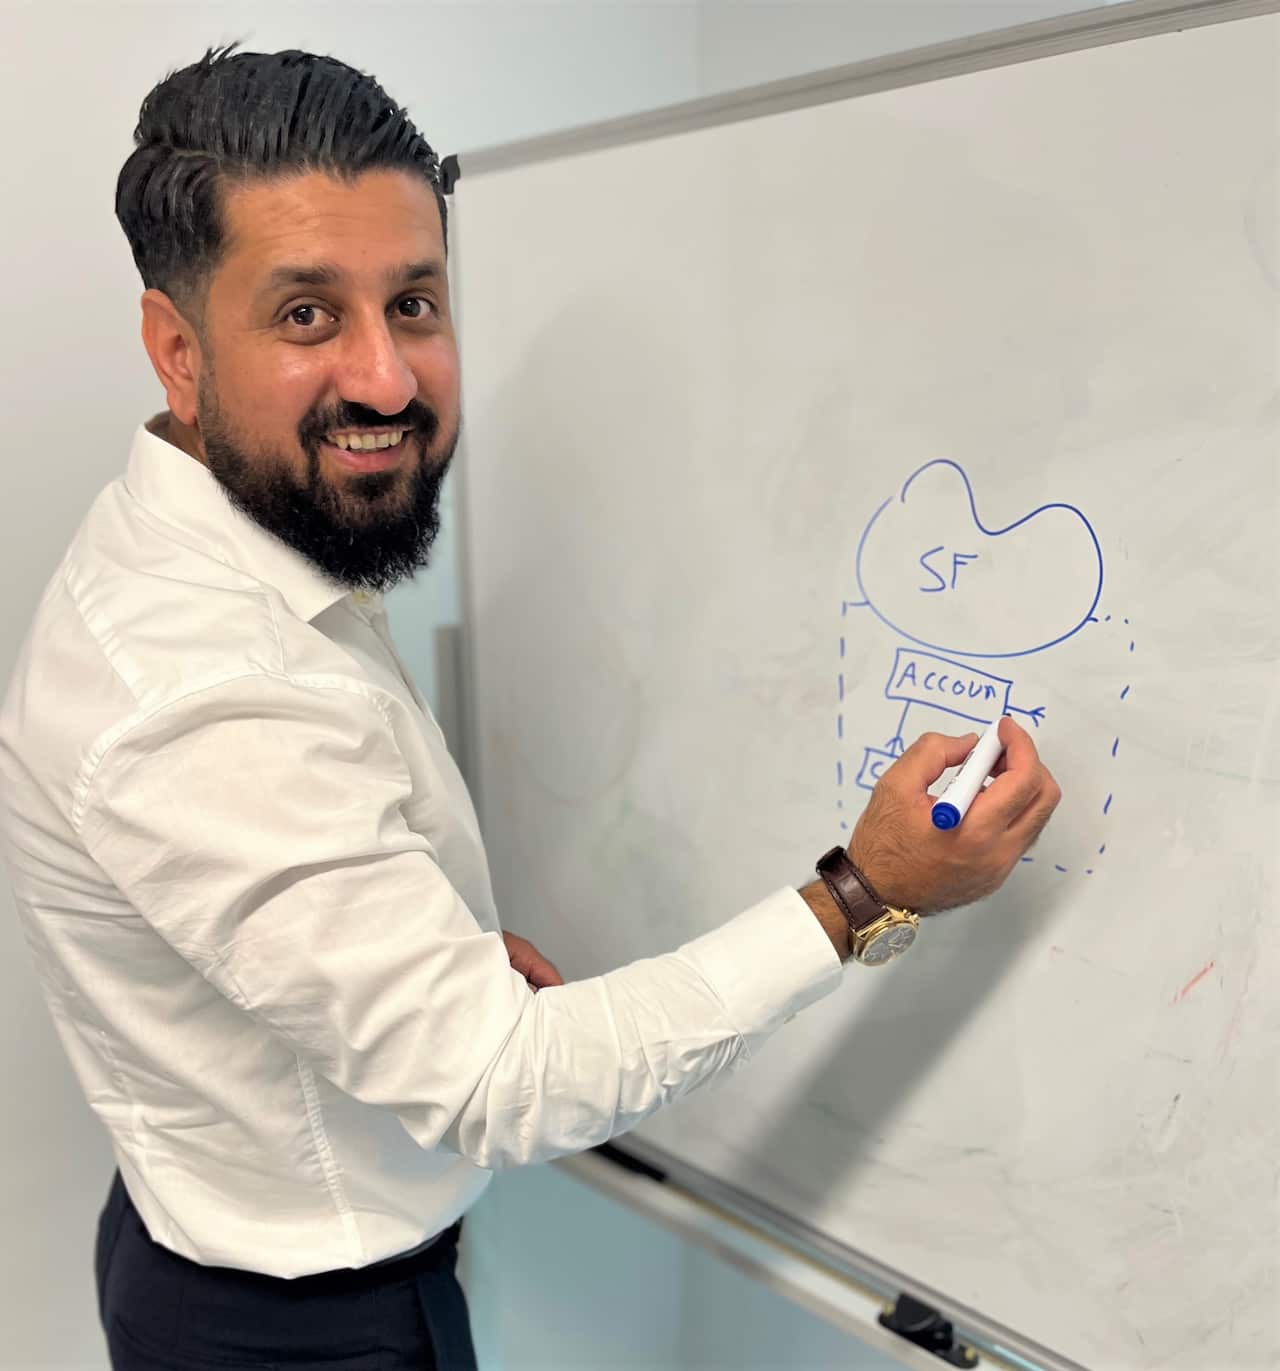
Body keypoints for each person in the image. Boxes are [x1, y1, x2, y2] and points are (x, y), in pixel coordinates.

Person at [0, 44, 1061, 1371]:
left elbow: (285, 851)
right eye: (306, 316)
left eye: (417, 302)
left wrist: (409, 947)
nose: (388, 380)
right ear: (176, 347)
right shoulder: (199, 691)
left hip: (214, 1242)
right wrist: (865, 889)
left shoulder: (224, 537)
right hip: (302, 1336)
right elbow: (498, 1086)